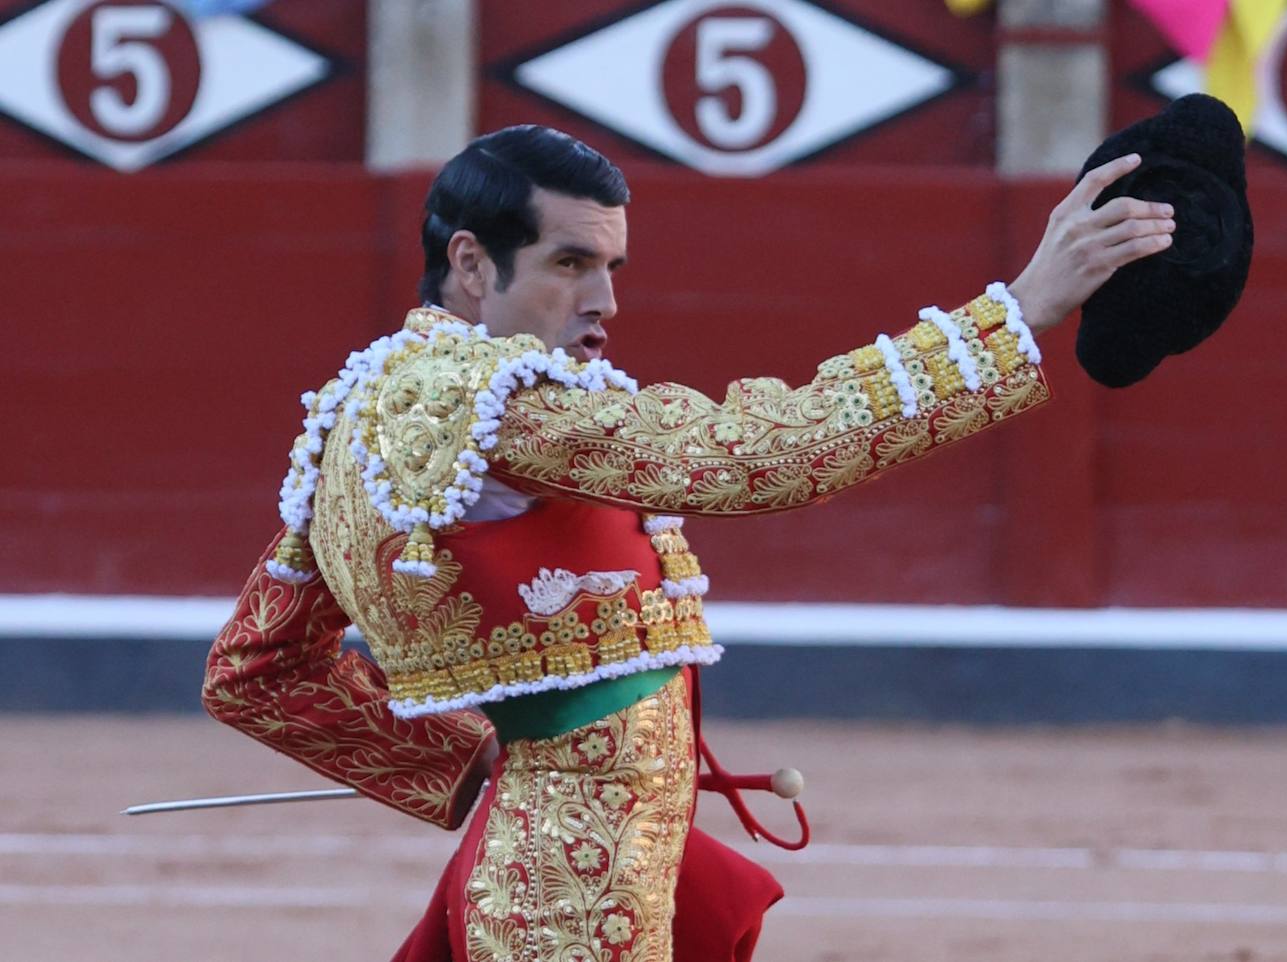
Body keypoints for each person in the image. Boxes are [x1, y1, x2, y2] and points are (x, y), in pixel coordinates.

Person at [203, 125, 1174, 961]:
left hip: (559, 842)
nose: (603, 303)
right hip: (575, 871)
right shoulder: (502, 409)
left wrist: (466, 762)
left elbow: (255, 666)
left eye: (611, 267)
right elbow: (764, 451)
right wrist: (1015, 315)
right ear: (470, 263)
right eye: (570, 263)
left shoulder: (370, 403)